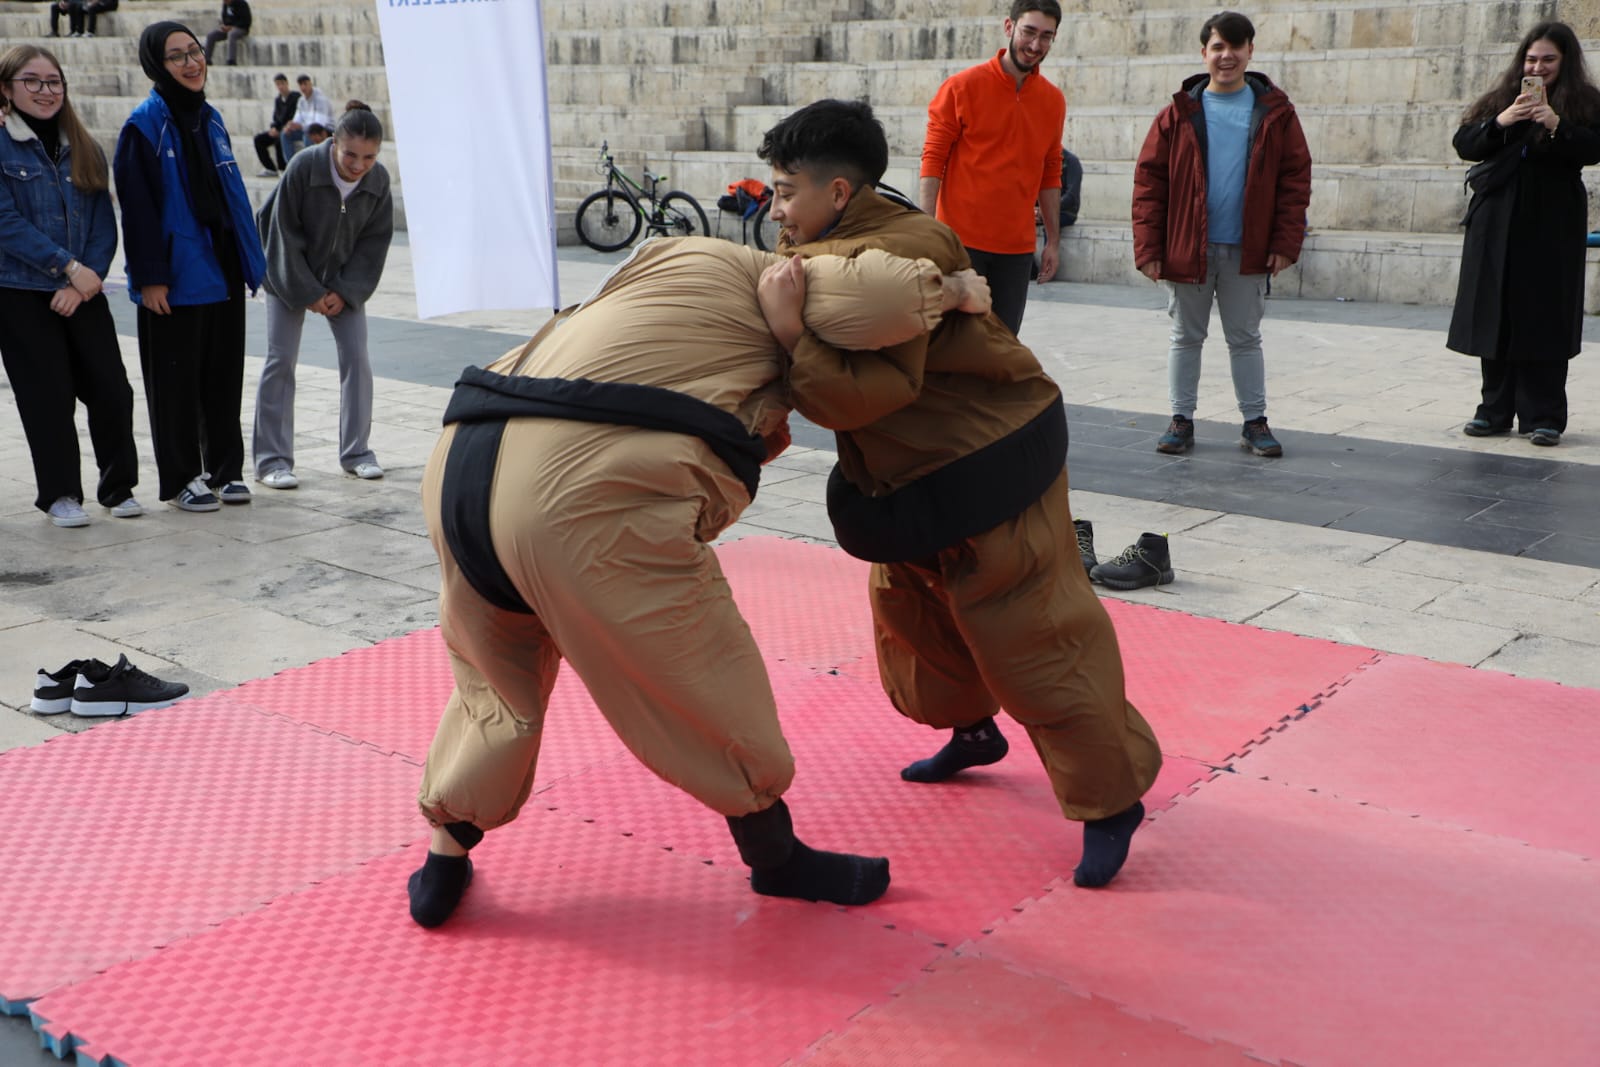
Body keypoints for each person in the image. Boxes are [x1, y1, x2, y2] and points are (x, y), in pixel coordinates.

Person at [407, 235, 992, 928]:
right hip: (578, 495)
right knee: (705, 675)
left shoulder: (659, 259)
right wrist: (956, 290)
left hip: (461, 468)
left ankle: (445, 852)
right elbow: (885, 297)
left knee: (493, 681)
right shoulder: (784, 276)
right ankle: (777, 857)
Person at [758, 99, 1162, 891]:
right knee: (916, 613)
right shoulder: (825, 241)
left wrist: (791, 335)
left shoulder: (893, 263)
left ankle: (1111, 799)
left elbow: (862, 394)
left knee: (1032, 631)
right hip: (905, 475)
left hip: (992, 458)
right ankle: (972, 730)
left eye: (785, 193)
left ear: (839, 192)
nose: (775, 210)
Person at [1131, 10, 1311, 459]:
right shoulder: (1178, 113)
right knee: (1185, 336)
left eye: (1235, 46)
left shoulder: (1276, 113)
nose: (1226, 56)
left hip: (1247, 249)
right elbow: (1149, 183)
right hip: (1188, 247)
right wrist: (1150, 249)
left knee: (1245, 338)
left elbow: (1295, 180)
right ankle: (1181, 419)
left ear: (1250, 50)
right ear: (1204, 53)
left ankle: (1254, 422)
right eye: (1217, 47)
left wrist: (1284, 244)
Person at [113, 21, 266, 512]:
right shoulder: (144, 125)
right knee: (175, 382)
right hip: (175, 273)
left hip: (220, 266)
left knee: (223, 374)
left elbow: (232, 197)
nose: (191, 62)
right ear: (157, 65)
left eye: (194, 51)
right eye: (177, 55)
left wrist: (249, 259)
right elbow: (137, 209)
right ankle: (181, 478)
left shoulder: (212, 118)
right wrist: (149, 278)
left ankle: (226, 469)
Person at [0, 44, 141, 528]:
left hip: (82, 289)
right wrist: (66, 267)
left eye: (53, 81)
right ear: (7, 89)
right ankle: (60, 493)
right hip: (19, 291)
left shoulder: (83, 145)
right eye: (32, 81)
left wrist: (85, 280)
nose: (45, 91)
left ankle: (118, 486)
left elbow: (104, 222)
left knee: (112, 389)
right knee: (47, 395)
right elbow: (5, 221)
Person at [1448, 21, 1600, 448]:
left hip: (1552, 224)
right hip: (1497, 221)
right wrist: (1501, 121)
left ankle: (1544, 415)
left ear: (1565, 61)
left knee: (1545, 315)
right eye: (1532, 59)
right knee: (1495, 311)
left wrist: (1557, 124)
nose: (1539, 66)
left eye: (1548, 59)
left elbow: (1593, 149)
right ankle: (1493, 410)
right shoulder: (1501, 98)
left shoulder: (1585, 101)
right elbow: (1465, 143)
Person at [253, 103, 394, 489]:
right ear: (334, 142)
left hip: (343, 283)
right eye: (350, 154)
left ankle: (357, 453)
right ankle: (272, 461)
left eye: (369, 157)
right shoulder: (304, 166)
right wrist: (309, 291)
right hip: (286, 275)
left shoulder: (378, 181)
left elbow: (373, 244)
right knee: (281, 360)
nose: (358, 164)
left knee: (357, 359)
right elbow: (282, 233)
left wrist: (344, 291)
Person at [919, 0, 1064, 338]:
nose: (1035, 45)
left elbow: (1050, 171)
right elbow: (932, 160)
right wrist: (926, 230)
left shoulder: (1053, 100)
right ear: (1009, 27)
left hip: (1016, 248)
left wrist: (1053, 241)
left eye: (1046, 36)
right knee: (954, 344)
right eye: (1029, 31)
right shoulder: (961, 87)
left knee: (1002, 346)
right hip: (960, 242)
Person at [252, 73, 297, 177]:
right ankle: (270, 168)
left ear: (287, 83)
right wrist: (273, 128)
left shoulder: (295, 97)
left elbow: (294, 117)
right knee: (258, 139)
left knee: (280, 139)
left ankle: (283, 168)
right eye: (278, 84)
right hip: (278, 129)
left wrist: (280, 129)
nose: (280, 87)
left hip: (289, 129)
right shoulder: (278, 100)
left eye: (282, 83)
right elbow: (276, 118)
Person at [280, 74, 334, 160]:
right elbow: (297, 119)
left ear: (310, 84)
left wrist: (301, 127)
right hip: (307, 129)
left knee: (309, 135)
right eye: (301, 85)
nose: (303, 87)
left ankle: (310, 164)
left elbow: (319, 124)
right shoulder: (301, 101)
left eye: (305, 84)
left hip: (325, 130)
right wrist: (290, 126)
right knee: (285, 134)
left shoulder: (321, 100)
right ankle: (291, 166)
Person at [202, 1, 251, 68]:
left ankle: (231, 60)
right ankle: (207, 59)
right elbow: (225, 18)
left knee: (232, 34)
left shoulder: (242, 4)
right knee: (211, 35)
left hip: (241, 28)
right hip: (228, 29)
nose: (225, 1)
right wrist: (224, 26)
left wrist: (232, 27)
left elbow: (246, 21)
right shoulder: (225, 5)